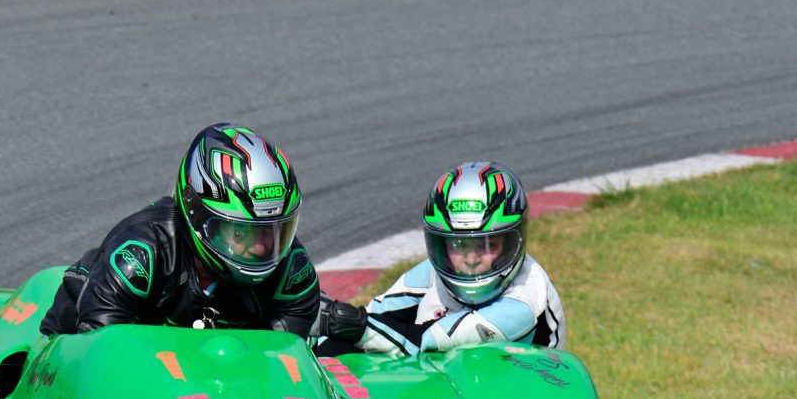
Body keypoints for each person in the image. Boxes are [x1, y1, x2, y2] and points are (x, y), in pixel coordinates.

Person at [40, 124, 321, 335]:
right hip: (84, 353)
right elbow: (102, 360)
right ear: (196, 212)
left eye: (272, 232)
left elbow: (286, 362)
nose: (261, 248)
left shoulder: (291, 269)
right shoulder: (141, 256)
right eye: (240, 233)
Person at [331, 160, 564, 355]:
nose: (471, 259)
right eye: (459, 245)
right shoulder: (433, 273)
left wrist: (357, 328)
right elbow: (372, 318)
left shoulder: (526, 297)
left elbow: (428, 340)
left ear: (513, 242)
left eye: (488, 245)